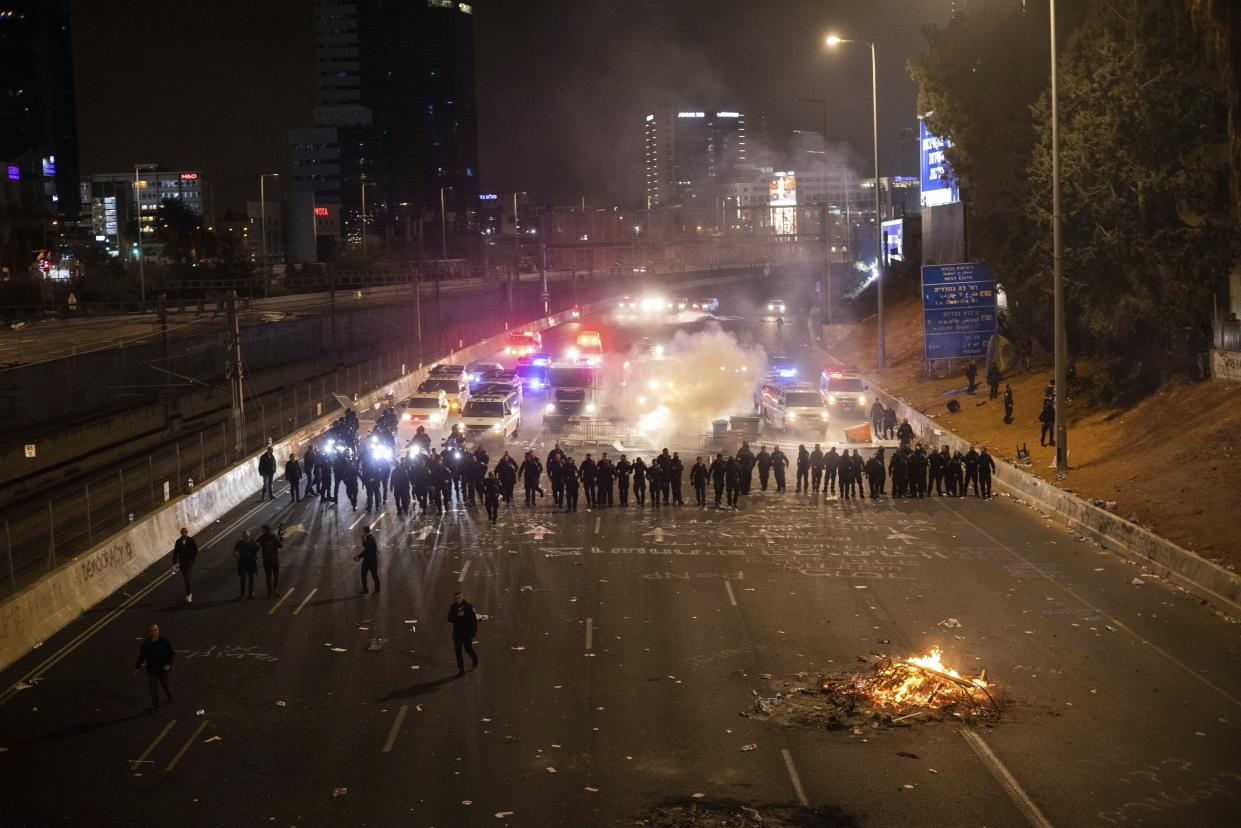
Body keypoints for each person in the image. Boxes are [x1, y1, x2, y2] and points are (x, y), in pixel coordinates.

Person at [134, 624, 174, 712]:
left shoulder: (164, 641)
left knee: (165, 684)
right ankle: (155, 707)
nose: (154, 632)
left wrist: (168, 664)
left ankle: (169, 695)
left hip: (162, 668)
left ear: (158, 630)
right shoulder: (147, 644)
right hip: (152, 669)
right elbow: (142, 656)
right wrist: (137, 667)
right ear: (150, 632)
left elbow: (170, 653)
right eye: (152, 630)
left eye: (155, 630)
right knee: (153, 690)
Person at [448, 590, 479, 677]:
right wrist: (457, 616)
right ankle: (461, 670)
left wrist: (473, 633)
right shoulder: (453, 607)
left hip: (467, 633)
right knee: (458, 652)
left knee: (468, 649)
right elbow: (449, 619)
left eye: (460, 598)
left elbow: (473, 621)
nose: (458, 600)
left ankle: (475, 657)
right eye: (456, 598)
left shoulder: (469, 607)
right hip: (457, 634)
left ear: (463, 597)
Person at [171, 528, 198, 604]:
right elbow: (175, 552)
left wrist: (192, 559)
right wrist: (174, 563)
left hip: (189, 563)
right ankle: (188, 593)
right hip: (182, 563)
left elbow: (195, 550)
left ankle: (188, 594)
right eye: (183, 533)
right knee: (186, 578)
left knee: (187, 579)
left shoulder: (191, 540)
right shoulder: (178, 542)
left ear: (187, 533)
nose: (184, 534)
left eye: (185, 533)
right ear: (181, 533)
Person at [258, 524, 283, 598]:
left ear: (265, 530)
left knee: (268, 576)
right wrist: (280, 537)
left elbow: (256, 545)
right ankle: (275, 590)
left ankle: (269, 592)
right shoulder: (274, 536)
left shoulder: (262, 537)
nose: (262, 531)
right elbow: (280, 545)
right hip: (274, 559)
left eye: (262, 530)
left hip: (266, 560)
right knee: (276, 575)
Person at [233, 530, 259, 598]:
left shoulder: (253, 542)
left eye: (247, 536)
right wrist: (236, 556)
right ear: (242, 537)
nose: (246, 537)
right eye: (244, 536)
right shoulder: (239, 543)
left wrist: (256, 555)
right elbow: (235, 551)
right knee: (243, 579)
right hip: (243, 563)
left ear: (249, 536)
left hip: (251, 562)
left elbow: (256, 550)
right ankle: (243, 593)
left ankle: (251, 592)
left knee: (251, 578)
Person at [356, 526, 380, 594]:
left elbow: (366, 549)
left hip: (371, 561)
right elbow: (366, 547)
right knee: (364, 575)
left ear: (365, 531)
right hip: (368, 560)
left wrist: (359, 556)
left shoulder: (370, 539)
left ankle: (376, 589)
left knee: (374, 575)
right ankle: (367, 589)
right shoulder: (370, 537)